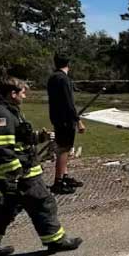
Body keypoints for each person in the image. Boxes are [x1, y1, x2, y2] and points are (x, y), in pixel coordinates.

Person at [0, 77, 82, 256]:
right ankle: (56, 241)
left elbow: (18, 137)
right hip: (19, 175)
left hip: (12, 176)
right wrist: (16, 172)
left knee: (4, 211)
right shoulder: (0, 115)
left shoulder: (9, 111)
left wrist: (38, 137)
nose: (24, 96)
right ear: (13, 94)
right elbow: (0, 147)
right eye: (23, 92)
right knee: (43, 203)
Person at [47, 53, 85, 195]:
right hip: (65, 120)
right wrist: (78, 121)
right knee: (64, 150)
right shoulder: (64, 79)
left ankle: (64, 176)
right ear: (68, 63)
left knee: (66, 148)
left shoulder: (53, 78)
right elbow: (69, 103)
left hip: (57, 118)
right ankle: (58, 182)